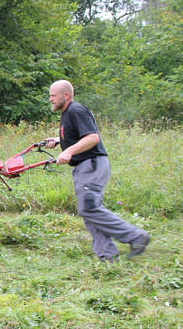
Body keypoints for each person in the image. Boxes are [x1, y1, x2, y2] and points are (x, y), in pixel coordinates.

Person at [43, 80, 150, 262]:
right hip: (84, 167)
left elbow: (92, 137)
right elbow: (78, 136)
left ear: (66, 95)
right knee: (89, 210)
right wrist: (59, 140)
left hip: (91, 165)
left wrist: (68, 151)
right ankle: (107, 256)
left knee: (90, 208)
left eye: (53, 95)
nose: (50, 99)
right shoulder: (67, 114)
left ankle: (136, 237)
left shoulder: (76, 110)